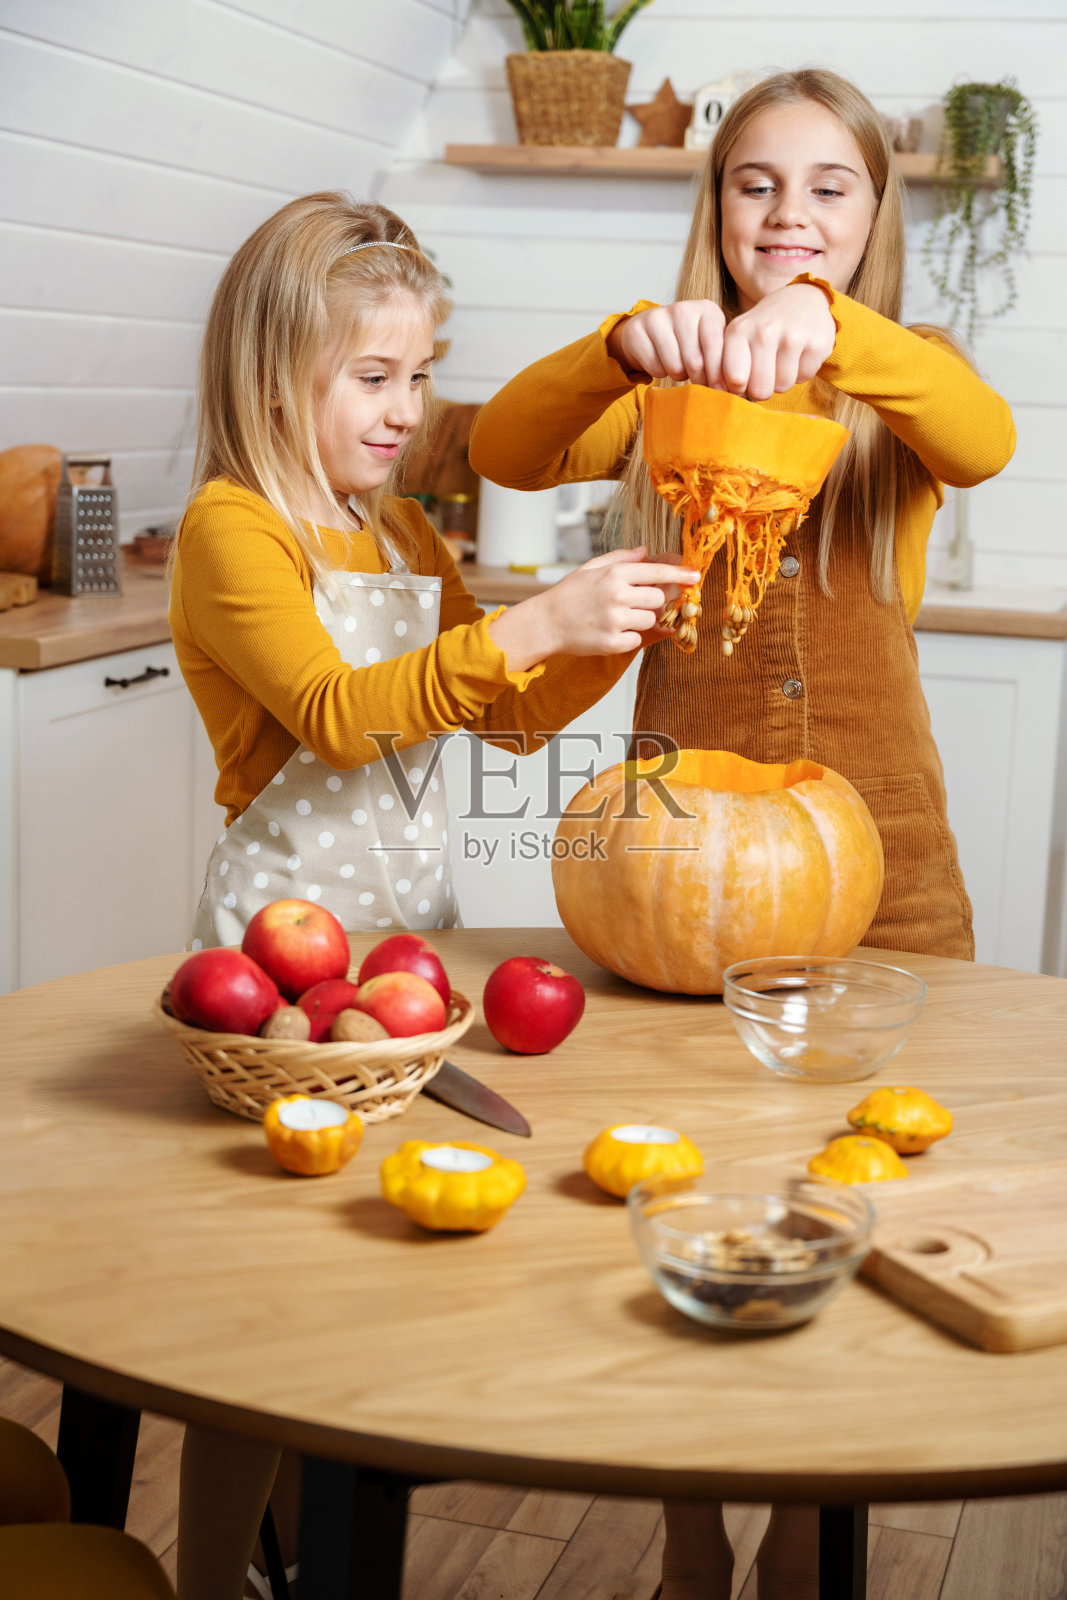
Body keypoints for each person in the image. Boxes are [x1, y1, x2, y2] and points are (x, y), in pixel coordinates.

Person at [468, 67, 1016, 1600]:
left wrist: (841, 331)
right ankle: (691, 1531)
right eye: (756, 185)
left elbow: (984, 438)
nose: (790, 216)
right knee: (680, 1186)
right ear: (713, 215)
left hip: (881, 858)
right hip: (675, 869)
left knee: (861, 1190)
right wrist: (614, 345)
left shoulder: (900, 382)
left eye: (829, 188)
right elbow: (506, 451)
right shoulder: (662, 392)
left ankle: (808, 1531)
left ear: (874, 217)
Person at [168, 191, 696, 1600]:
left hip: (402, 953)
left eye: (421, 373)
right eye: (374, 377)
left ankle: (315, 1552)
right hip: (275, 978)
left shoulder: (401, 536)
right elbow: (345, 715)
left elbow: (505, 719)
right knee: (262, 1321)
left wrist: (604, 632)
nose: (410, 410)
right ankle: (214, 1570)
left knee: (359, 1287)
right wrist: (534, 620)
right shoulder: (238, 531)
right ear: (277, 375)